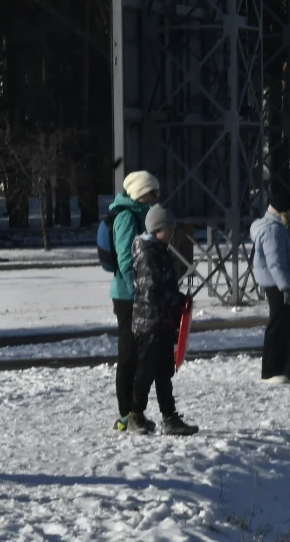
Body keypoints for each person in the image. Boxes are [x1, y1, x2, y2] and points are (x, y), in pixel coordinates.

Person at [127, 204, 199, 436]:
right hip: (150, 324)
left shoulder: (159, 250)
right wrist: (176, 299)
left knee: (163, 372)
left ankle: (169, 417)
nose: (171, 233)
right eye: (169, 229)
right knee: (146, 371)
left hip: (162, 322)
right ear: (157, 229)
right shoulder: (148, 254)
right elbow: (151, 293)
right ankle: (135, 415)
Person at [109, 170, 160, 432]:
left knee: (141, 355)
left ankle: (134, 413)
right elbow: (126, 259)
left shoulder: (141, 214)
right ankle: (126, 415)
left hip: (139, 294)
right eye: (153, 193)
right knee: (129, 355)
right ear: (141, 193)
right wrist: (137, 292)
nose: (156, 198)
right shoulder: (127, 217)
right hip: (128, 297)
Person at [250, 185, 290, 384]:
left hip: (288, 282)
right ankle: (271, 370)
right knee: (279, 326)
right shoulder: (272, 230)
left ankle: (286, 368)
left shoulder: (284, 226)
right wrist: (286, 287)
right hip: (278, 285)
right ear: (282, 210)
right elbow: (275, 263)